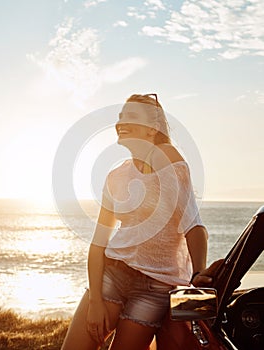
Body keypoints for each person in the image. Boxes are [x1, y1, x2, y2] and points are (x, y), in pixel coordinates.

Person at [61, 93, 208, 350]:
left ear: (154, 129)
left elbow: (194, 227)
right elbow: (98, 245)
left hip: (154, 288)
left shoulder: (173, 165)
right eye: (120, 116)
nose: (120, 122)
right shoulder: (116, 176)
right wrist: (95, 301)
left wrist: (198, 276)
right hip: (113, 273)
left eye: (131, 116)